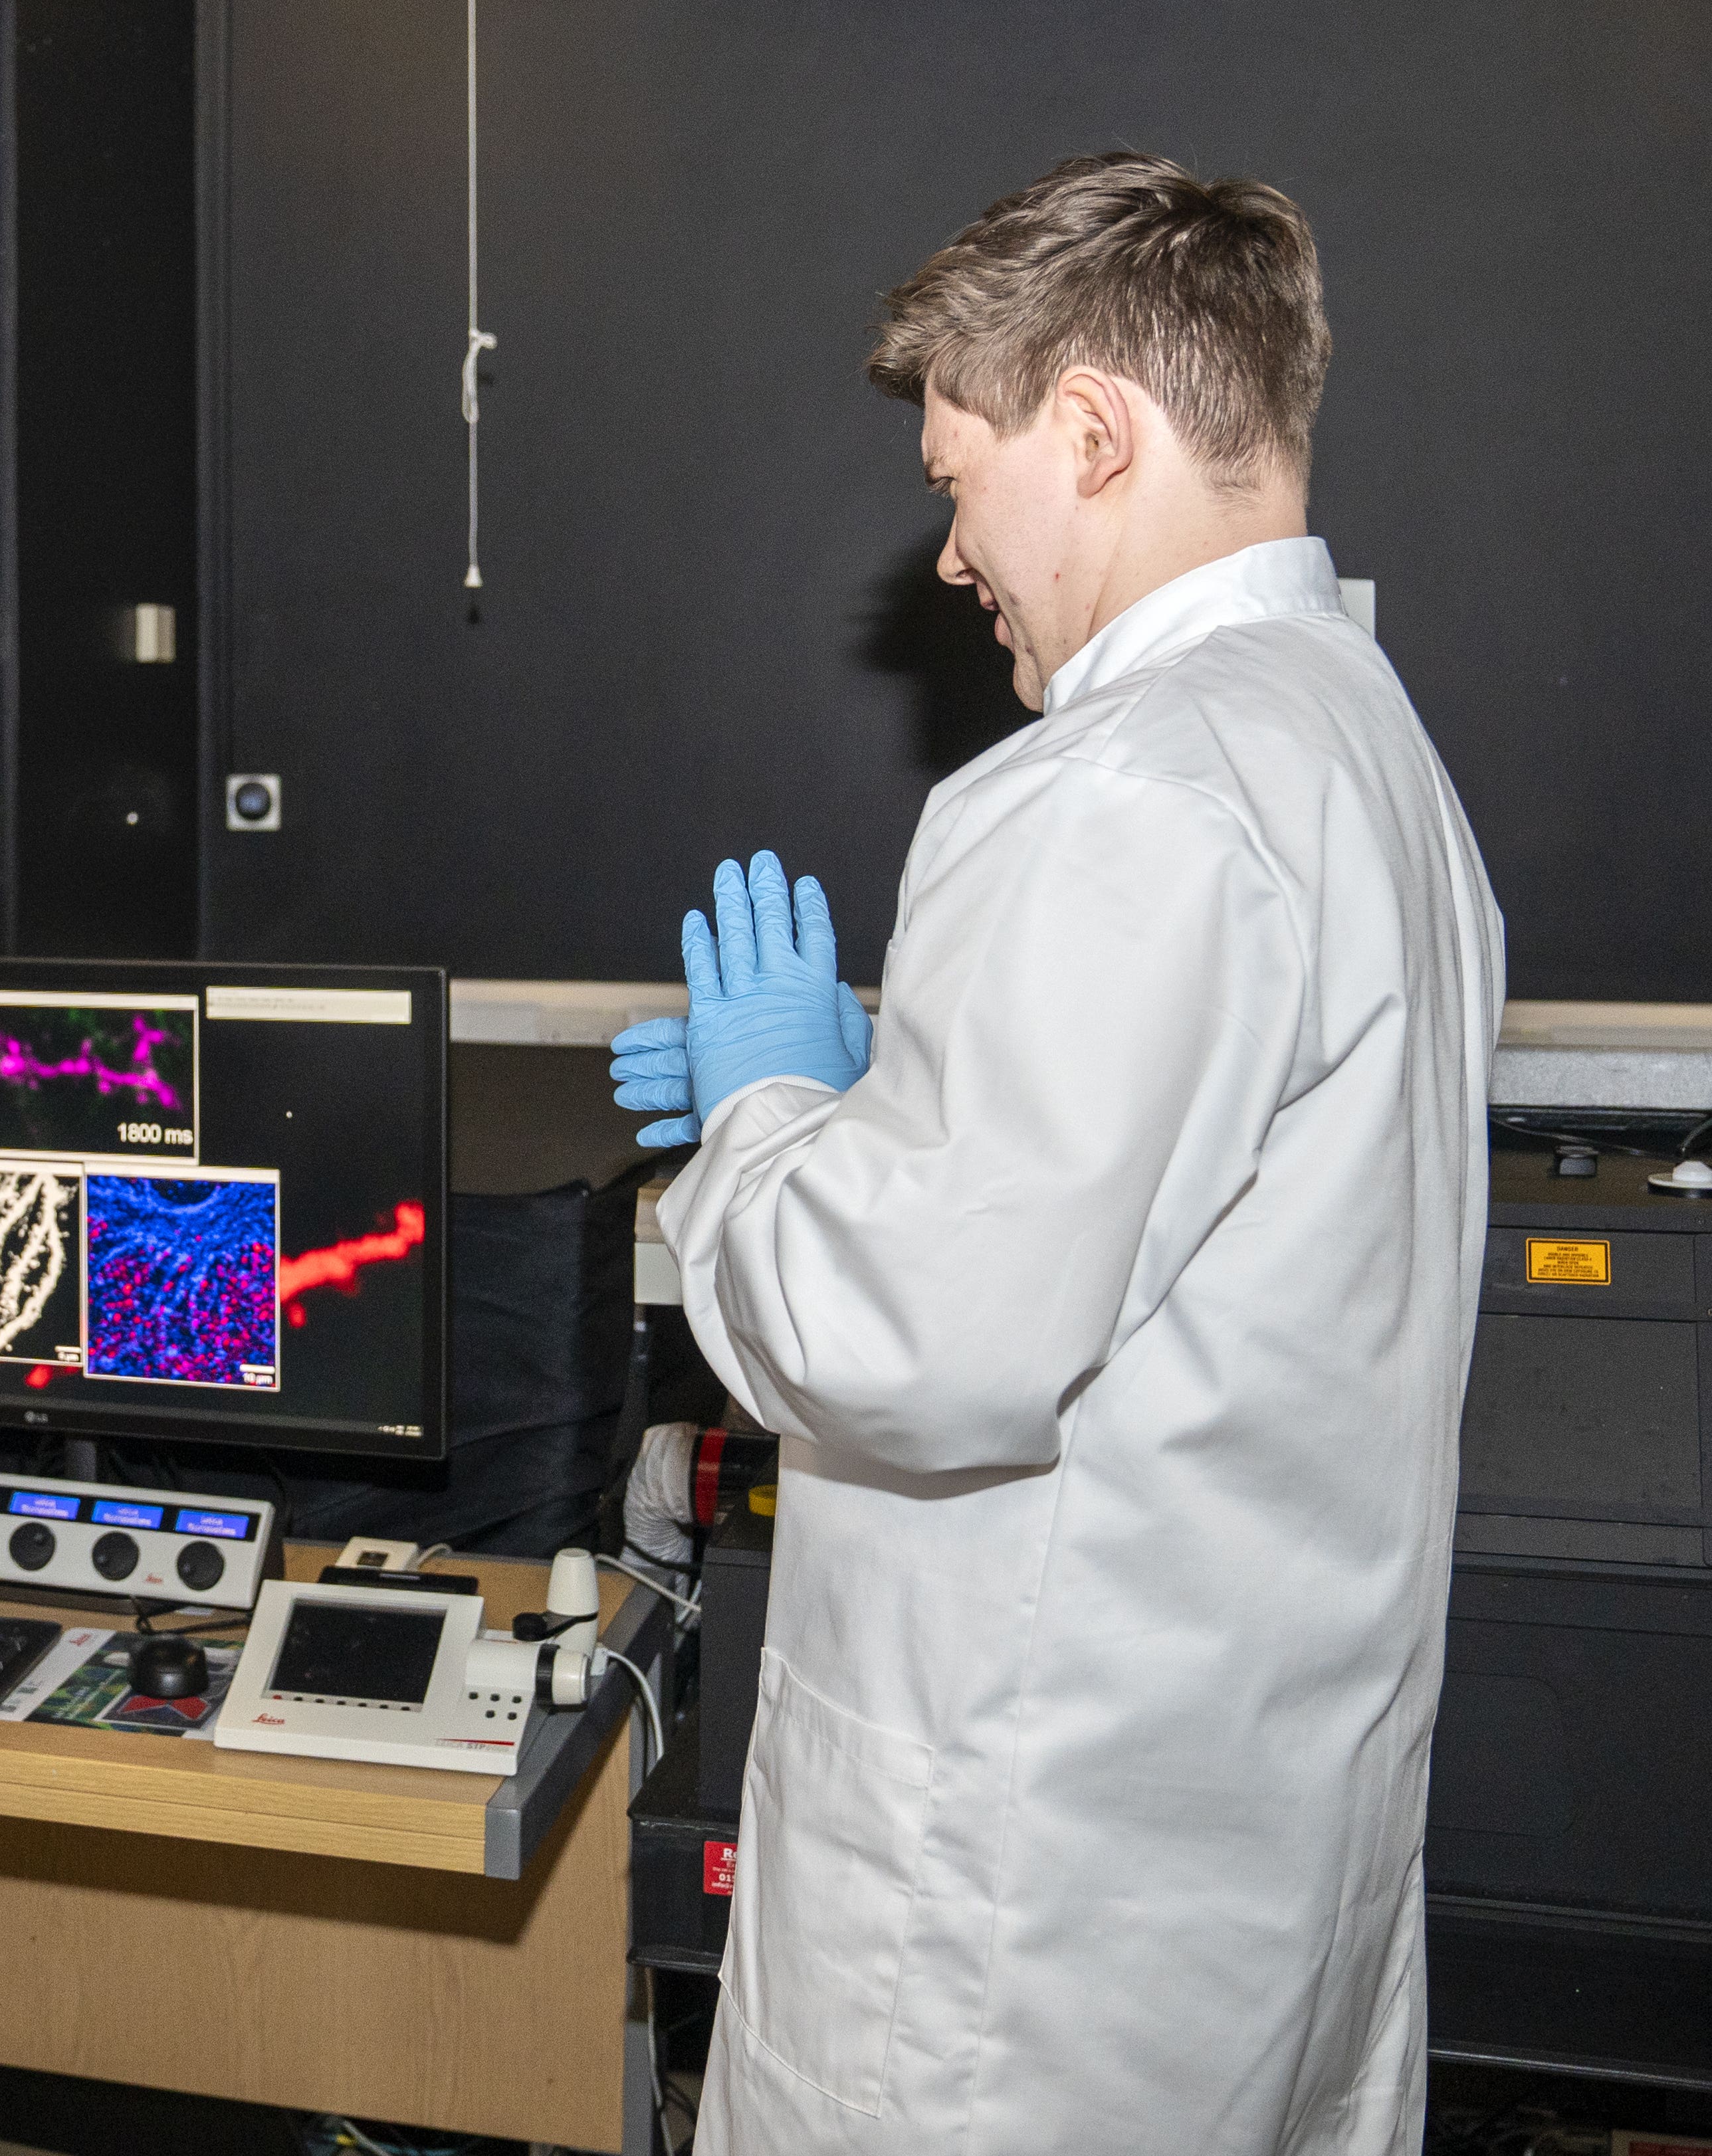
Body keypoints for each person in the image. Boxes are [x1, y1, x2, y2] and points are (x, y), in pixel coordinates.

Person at [611, 155, 1503, 2154]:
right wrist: (900, 1089)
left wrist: (763, 1116)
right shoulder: (1360, 743)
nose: (947, 555)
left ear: (1091, 434)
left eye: (957, 477)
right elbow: (1158, 1208)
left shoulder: (1114, 786)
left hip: (1017, 1929)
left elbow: (907, 1340)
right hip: (1244, 1860)